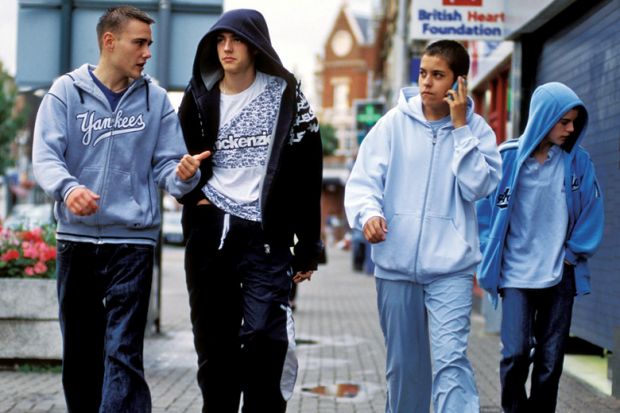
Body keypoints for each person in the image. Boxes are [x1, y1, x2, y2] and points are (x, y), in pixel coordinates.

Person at [32, 6, 206, 412]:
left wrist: (183, 174)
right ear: (109, 42)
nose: (147, 52)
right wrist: (68, 188)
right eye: (139, 42)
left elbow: (169, 168)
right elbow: (46, 156)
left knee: (124, 352)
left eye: (149, 44)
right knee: (81, 351)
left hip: (132, 244)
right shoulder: (66, 92)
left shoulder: (156, 100)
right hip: (76, 241)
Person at [176, 9, 323, 413]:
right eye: (220, 40)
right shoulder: (199, 94)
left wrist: (309, 245)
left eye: (236, 40)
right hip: (211, 235)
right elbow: (176, 161)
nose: (226, 48)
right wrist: (193, 197)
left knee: (264, 336)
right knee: (214, 345)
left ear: (255, 45)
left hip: (265, 236)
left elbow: (309, 173)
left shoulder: (286, 96)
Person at [344, 39, 501, 413]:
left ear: (458, 83)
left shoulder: (478, 132)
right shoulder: (392, 125)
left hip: (451, 269)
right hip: (396, 267)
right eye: (423, 73)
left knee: (451, 364)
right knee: (405, 370)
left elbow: (478, 186)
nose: (426, 82)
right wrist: (369, 215)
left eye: (438, 75)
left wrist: (461, 129)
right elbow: (364, 182)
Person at [476, 82, 604, 412]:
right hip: (516, 275)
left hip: (560, 275)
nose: (571, 129)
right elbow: (484, 213)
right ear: (544, 117)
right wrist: (488, 253)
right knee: (515, 353)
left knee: (550, 362)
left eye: (574, 121)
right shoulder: (507, 159)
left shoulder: (578, 164)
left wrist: (571, 257)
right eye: (564, 121)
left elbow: (592, 210)